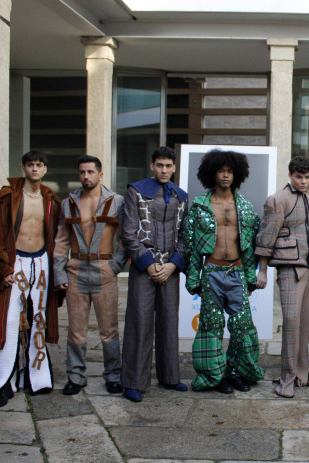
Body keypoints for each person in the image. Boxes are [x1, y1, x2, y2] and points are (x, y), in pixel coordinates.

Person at [0, 151, 62, 408]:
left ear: (44, 170)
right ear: (23, 168)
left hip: (41, 262)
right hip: (15, 262)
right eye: (30, 164)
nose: (34, 169)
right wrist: (4, 268)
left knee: (38, 320)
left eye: (39, 165)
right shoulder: (6, 198)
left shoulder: (51, 200)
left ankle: (36, 379)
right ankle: (0, 385)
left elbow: (59, 239)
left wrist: (60, 272)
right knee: (7, 322)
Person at [184, 149, 265, 394]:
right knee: (211, 325)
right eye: (221, 170)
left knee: (242, 327)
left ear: (237, 174)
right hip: (211, 273)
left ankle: (237, 373)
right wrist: (192, 277)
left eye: (230, 171)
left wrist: (251, 276)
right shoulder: (200, 206)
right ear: (212, 173)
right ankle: (213, 376)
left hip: (237, 272)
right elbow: (191, 246)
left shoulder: (246, 207)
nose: (226, 175)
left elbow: (250, 245)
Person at [54, 155, 128, 396]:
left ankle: (113, 376)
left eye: (90, 172)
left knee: (109, 330)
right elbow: (61, 240)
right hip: (75, 271)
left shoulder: (117, 202)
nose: (86, 176)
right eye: (82, 172)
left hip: (104, 270)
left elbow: (127, 239)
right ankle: (75, 377)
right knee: (76, 329)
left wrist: (115, 266)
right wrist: (59, 272)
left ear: (100, 174)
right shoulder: (69, 202)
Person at [120, 147, 189, 402]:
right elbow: (128, 232)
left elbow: (185, 236)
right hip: (143, 267)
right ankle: (133, 381)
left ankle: (170, 376)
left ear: (174, 168)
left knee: (169, 321)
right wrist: (148, 264)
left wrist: (173, 264)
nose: (164, 170)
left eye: (168, 166)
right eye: (159, 165)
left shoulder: (182, 196)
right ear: (152, 166)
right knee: (139, 321)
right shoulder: (135, 191)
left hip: (170, 268)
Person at [256, 156, 309, 398]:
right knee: (291, 324)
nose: (303, 181)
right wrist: (262, 270)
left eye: (307, 177)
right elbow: (266, 236)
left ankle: (301, 374)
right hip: (289, 269)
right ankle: (286, 379)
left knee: (304, 325)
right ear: (290, 175)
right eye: (299, 177)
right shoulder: (277, 200)